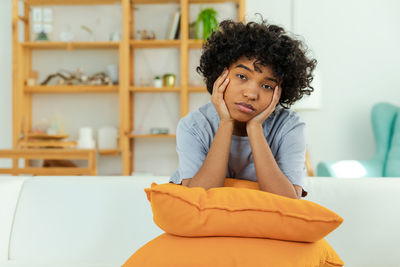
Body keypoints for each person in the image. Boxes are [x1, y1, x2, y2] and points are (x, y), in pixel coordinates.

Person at [169, 18, 317, 199]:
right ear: (220, 75)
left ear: (279, 92)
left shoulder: (289, 127)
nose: (251, 94)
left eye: (267, 86)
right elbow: (197, 198)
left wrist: (255, 128)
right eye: (242, 76)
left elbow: (288, 201)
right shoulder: (194, 126)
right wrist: (225, 122)